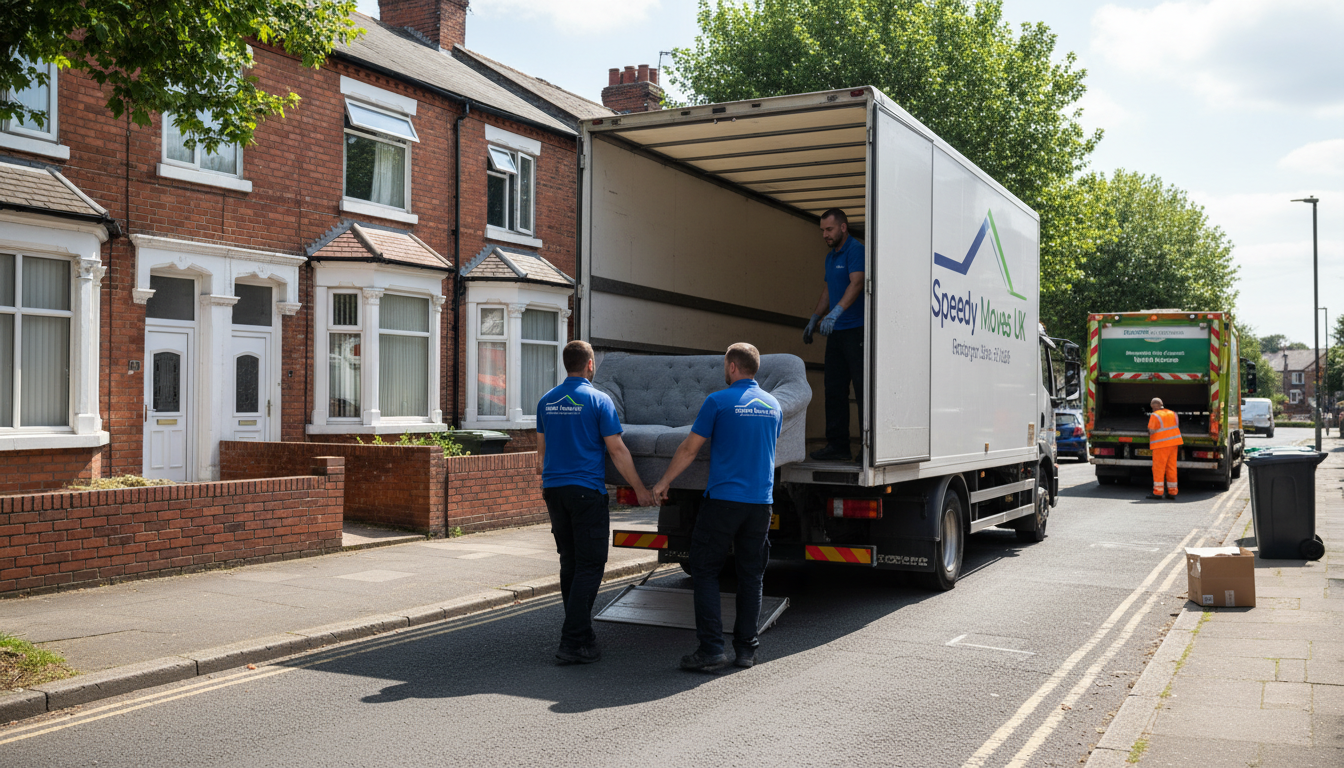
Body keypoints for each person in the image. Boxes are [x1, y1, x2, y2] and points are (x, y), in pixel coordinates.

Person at [652, 343, 782, 672]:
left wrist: (664, 480)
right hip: (761, 504)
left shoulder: (718, 401)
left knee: (706, 570)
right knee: (751, 576)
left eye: (726, 366)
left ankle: (711, 649)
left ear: (733, 367)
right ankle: (746, 651)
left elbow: (689, 448)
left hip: (724, 500)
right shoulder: (774, 406)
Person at [536, 340, 654, 664]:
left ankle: (582, 634)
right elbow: (617, 451)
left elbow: (540, 457)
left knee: (570, 563)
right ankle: (573, 641)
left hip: (554, 491)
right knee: (590, 565)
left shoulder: (546, 401)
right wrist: (641, 489)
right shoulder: (599, 401)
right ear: (590, 365)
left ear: (566, 364)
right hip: (586, 493)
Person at [802, 208, 865, 462]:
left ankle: (867, 447)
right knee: (834, 389)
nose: (825, 235)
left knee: (862, 390)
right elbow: (829, 289)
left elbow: (857, 282)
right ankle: (838, 446)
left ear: (843, 227)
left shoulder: (855, 250)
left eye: (829, 229)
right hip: (836, 332)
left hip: (856, 330)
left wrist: (836, 312)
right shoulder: (830, 258)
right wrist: (815, 317)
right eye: (822, 231)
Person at [1147, 397, 1183, 500]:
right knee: (1171, 467)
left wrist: (1148, 432)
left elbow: (1152, 430)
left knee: (1159, 468)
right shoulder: (1173, 413)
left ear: (1154, 406)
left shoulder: (1155, 415)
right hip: (1174, 444)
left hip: (1160, 445)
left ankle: (1158, 492)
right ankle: (1172, 492)